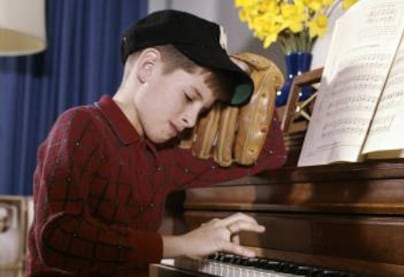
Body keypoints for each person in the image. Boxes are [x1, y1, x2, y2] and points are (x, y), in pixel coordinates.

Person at [26, 9, 286, 277]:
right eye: (189, 96)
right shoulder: (80, 125)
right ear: (147, 67)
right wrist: (182, 244)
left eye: (203, 110)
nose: (191, 119)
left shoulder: (163, 156)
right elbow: (59, 239)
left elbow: (269, 156)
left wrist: (259, 82)